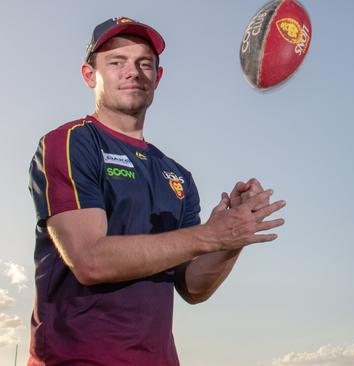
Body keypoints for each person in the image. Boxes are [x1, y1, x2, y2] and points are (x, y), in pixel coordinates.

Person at [27, 17, 285, 365]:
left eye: (144, 63)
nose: (133, 72)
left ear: (157, 78)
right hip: (76, 358)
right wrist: (207, 235)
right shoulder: (70, 143)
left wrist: (230, 238)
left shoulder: (177, 176)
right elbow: (89, 260)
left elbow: (193, 287)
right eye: (117, 62)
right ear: (90, 75)